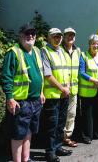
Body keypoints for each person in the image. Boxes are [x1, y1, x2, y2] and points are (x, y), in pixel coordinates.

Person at [1, 23, 45, 162]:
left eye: (32, 33)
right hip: (21, 102)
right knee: (18, 134)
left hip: (35, 100)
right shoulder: (13, 52)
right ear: (20, 36)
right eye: (27, 33)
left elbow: (41, 74)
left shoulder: (37, 51)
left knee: (29, 131)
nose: (30, 36)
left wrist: (41, 92)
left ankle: (26, 159)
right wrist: (10, 98)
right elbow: (6, 77)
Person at [42, 28, 72, 162]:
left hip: (64, 94)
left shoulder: (62, 51)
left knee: (61, 123)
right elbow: (48, 75)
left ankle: (58, 146)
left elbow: (67, 71)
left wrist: (68, 86)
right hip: (53, 95)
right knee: (51, 125)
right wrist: (62, 88)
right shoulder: (45, 51)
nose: (58, 38)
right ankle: (49, 152)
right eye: (54, 36)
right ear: (49, 38)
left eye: (59, 36)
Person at [78, 34, 98, 143]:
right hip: (88, 91)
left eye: (97, 44)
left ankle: (97, 133)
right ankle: (87, 136)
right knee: (88, 115)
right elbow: (81, 72)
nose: (95, 46)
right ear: (89, 44)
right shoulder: (84, 55)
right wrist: (94, 80)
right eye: (93, 43)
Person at [62, 27, 80, 147]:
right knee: (61, 115)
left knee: (71, 114)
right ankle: (59, 137)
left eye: (72, 35)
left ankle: (67, 137)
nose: (71, 37)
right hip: (62, 89)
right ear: (64, 37)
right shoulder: (59, 50)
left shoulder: (77, 51)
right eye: (68, 35)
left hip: (73, 89)